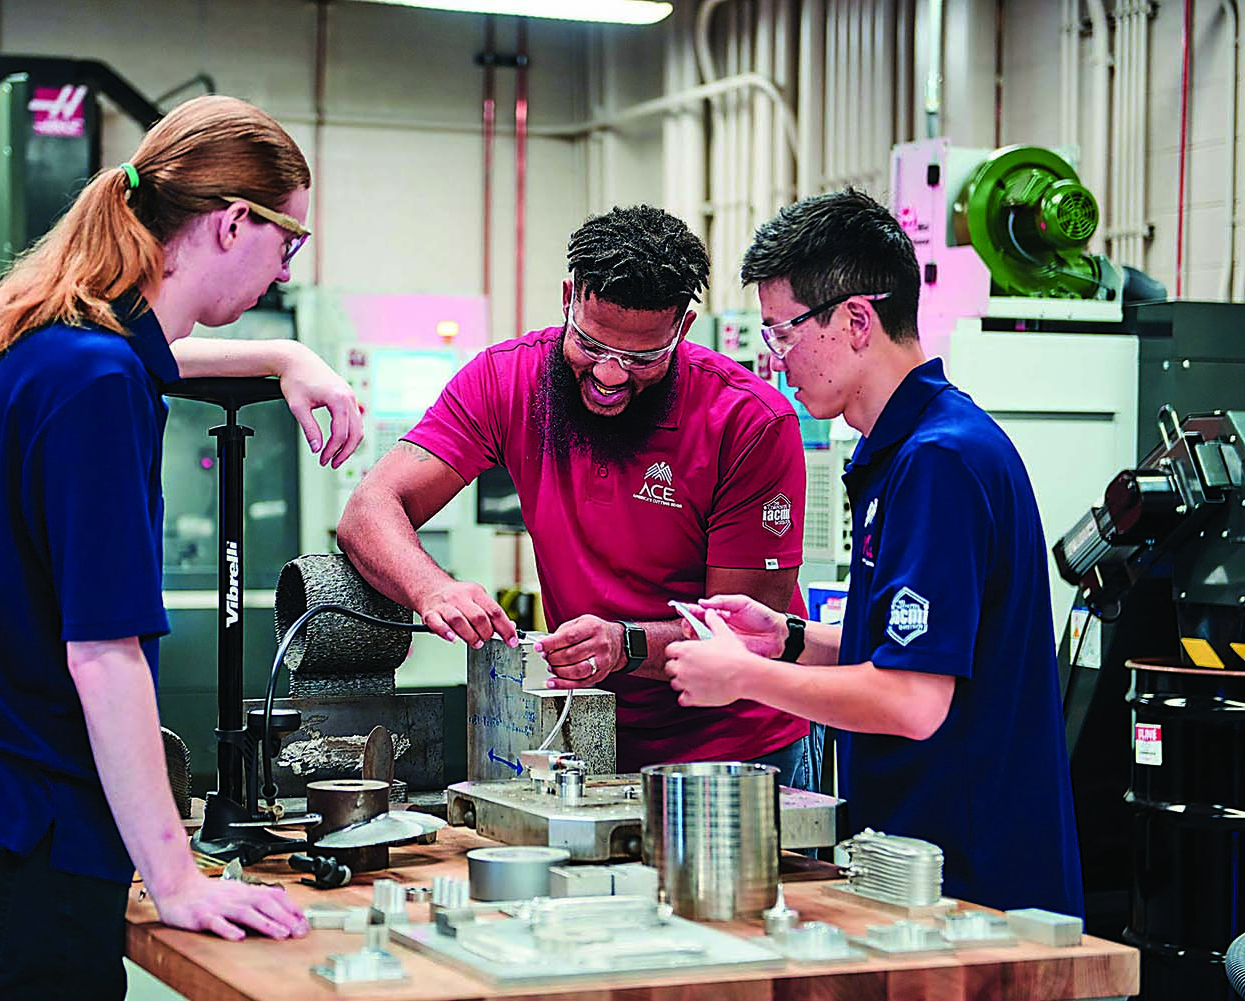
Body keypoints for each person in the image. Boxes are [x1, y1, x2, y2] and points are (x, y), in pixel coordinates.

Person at [0, 95, 363, 998]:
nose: (283, 269)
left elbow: (152, 356)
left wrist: (285, 357)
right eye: (289, 242)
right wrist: (177, 877)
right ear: (232, 223)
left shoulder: (40, 340)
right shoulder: (100, 386)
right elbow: (104, 656)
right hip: (35, 844)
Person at [663, 189, 1084, 916]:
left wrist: (743, 677)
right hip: (917, 868)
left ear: (856, 320)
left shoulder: (939, 462)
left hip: (974, 888)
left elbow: (913, 700)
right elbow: (913, 649)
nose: (776, 362)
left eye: (783, 334)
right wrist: (787, 640)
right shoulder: (900, 453)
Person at [337, 205, 815, 783]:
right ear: (569, 299)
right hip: (585, 732)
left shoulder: (747, 421)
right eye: (591, 345)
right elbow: (370, 508)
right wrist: (432, 588)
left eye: (642, 358)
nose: (611, 376)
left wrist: (624, 645)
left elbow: (743, 634)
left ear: (682, 328)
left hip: (736, 745)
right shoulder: (507, 381)